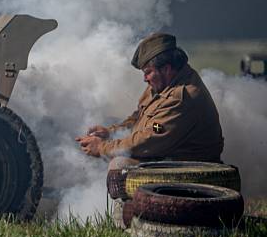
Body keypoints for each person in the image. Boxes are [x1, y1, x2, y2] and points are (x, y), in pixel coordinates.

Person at [76, 33, 224, 169]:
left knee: (119, 165)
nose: (145, 79)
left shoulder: (181, 98)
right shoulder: (164, 83)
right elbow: (139, 119)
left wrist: (102, 148)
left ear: (166, 69)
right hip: (168, 155)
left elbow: (151, 137)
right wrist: (111, 132)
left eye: (148, 72)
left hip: (190, 166)